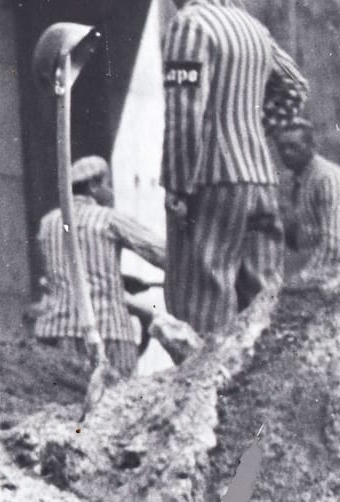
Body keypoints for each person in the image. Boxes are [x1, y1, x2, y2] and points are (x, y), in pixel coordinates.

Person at [162, 0, 307, 335]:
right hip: (261, 178)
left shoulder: (191, 24)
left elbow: (184, 114)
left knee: (200, 303)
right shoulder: (254, 29)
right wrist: (253, 128)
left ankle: (207, 387)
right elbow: (295, 86)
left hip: (211, 181)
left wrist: (178, 184)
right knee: (263, 304)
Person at [35, 157, 169, 385]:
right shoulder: (108, 218)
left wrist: (120, 280)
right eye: (109, 184)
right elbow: (162, 254)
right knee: (116, 406)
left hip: (55, 333)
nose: (112, 192)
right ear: (93, 186)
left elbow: (71, 271)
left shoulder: (48, 223)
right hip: (107, 332)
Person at [274, 118, 340, 283]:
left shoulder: (326, 177)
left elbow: (334, 243)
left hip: (332, 273)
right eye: (282, 148)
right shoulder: (294, 178)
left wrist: (304, 278)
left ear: (312, 147)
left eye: (293, 147)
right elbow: (301, 237)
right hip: (316, 270)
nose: (286, 153)